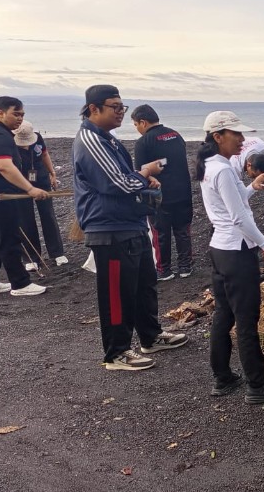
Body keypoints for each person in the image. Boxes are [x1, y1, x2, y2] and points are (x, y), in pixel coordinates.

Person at [73, 85, 187, 371]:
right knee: (116, 292)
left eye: (122, 107)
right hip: (108, 227)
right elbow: (118, 183)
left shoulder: (108, 139)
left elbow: (124, 177)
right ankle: (116, 353)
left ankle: (150, 336)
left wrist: (144, 180)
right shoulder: (90, 139)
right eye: (115, 107)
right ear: (93, 109)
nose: (121, 112)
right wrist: (145, 173)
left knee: (143, 284)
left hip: (130, 222)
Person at [196, 110, 264, 404]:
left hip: (220, 249)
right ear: (218, 137)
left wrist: (254, 186)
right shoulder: (223, 170)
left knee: (224, 313)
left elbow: (235, 202)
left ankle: (223, 377)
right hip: (236, 251)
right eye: (235, 134)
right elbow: (238, 218)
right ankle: (257, 384)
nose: (242, 139)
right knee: (246, 318)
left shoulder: (214, 165)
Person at [0, 97, 48, 297]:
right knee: (9, 236)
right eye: (16, 114)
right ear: (0, 112)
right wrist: (30, 189)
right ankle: (20, 284)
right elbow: (3, 166)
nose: (20, 118)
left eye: (22, 115)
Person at [131, 104, 194, 281]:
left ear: (143, 122)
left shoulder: (143, 142)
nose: (136, 129)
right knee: (183, 230)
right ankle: (185, 266)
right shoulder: (176, 135)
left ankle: (164, 269)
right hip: (183, 191)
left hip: (159, 194)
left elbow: (141, 172)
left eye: (135, 125)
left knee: (160, 234)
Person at [13, 121, 67, 271]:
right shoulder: (9, 143)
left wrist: (52, 173)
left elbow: (44, 154)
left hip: (41, 179)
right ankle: (31, 257)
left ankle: (57, 253)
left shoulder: (38, 138)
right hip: (20, 182)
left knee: (48, 215)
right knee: (25, 219)